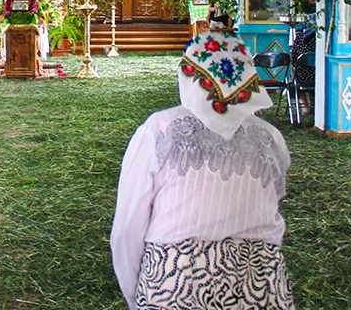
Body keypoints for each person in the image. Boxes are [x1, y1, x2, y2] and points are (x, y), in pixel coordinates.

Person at [111, 29, 296, 310]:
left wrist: (139, 296)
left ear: (189, 75)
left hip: (176, 280)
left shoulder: (159, 130)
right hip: (261, 283)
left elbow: (126, 230)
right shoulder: (270, 138)